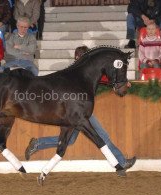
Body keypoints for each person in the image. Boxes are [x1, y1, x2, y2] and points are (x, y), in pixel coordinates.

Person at [25, 45, 136, 177]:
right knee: (102, 136)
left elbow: (106, 78)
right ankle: (121, 162)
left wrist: (122, 82)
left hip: (78, 111)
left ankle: (38, 144)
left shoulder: (83, 71)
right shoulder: (76, 72)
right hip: (78, 112)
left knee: (70, 140)